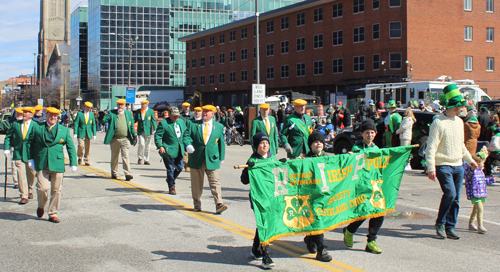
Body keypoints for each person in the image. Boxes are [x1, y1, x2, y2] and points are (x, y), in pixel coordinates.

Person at [425, 84, 477, 239]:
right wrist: (430, 167)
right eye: (461, 106)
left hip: (458, 165)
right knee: (450, 193)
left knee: (456, 199)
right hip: (443, 165)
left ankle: (450, 226)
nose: (463, 109)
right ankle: (440, 223)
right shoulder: (438, 122)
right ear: (455, 106)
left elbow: (460, 145)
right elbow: (431, 146)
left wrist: (470, 160)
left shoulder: (459, 122)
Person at [28, 107, 77, 223]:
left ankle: (52, 213)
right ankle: (41, 205)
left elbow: (70, 147)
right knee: (42, 188)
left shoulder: (63, 130)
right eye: (50, 115)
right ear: (46, 115)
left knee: (56, 190)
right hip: (42, 163)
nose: (53, 117)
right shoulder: (37, 127)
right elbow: (31, 143)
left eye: (55, 116)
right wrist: (31, 158)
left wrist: (73, 162)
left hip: (57, 163)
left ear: (58, 117)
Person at [344, 119, 385, 254]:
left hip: (374, 186)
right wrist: (351, 156)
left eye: (372, 133)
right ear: (362, 134)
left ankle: (371, 241)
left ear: (376, 134)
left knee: (379, 212)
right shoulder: (357, 148)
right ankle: (350, 230)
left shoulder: (377, 149)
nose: (370, 135)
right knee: (363, 212)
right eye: (367, 133)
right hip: (361, 186)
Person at [240, 133, 279, 269]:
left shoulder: (273, 158)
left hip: (272, 197)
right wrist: (248, 170)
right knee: (264, 223)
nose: (265, 145)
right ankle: (266, 255)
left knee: (265, 223)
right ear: (256, 146)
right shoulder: (253, 160)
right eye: (262, 143)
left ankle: (256, 248)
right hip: (259, 198)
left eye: (267, 143)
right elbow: (244, 181)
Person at [183, 105, 227, 214]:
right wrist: (188, 144)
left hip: (212, 159)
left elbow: (221, 142)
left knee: (215, 182)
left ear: (213, 114)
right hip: (196, 158)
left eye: (207, 112)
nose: (204, 113)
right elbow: (186, 136)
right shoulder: (193, 124)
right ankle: (197, 204)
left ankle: (219, 204)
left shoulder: (219, 126)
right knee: (197, 184)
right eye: (203, 111)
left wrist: (221, 157)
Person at [303, 131, 333, 262]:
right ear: (310, 146)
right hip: (311, 196)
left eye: (320, 142)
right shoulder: (305, 160)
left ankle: (311, 238)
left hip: (325, 195)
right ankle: (321, 249)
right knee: (317, 218)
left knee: (320, 220)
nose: (318, 144)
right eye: (315, 142)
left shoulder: (329, 158)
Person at [3, 107, 37, 204]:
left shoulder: (36, 125)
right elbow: (8, 137)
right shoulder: (16, 124)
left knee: (31, 174)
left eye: (27, 112)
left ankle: (30, 189)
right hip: (18, 153)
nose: (24, 114)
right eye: (24, 112)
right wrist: (6, 148)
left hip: (31, 155)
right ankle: (24, 195)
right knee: (21, 174)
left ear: (32, 114)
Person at [102, 99, 138, 181]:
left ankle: (127, 173)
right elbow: (104, 120)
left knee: (125, 156)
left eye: (122, 105)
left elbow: (131, 125)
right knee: (115, 156)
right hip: (115, 139)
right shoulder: (112, 113)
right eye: (119, 104)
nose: (120, 106)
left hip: (125, 139)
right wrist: (101, 117)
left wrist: (134, 135)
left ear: (124, 105)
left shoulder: (128, 114)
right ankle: (114, 172)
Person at [155, 106, 186, 195]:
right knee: (170, 169)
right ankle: (171, 186)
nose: (176, 117)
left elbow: (185, 133)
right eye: (174, 115)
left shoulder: (181, 122)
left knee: (180, 167)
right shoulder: (164, 123)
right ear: (169, 114)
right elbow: (158, 136)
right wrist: (160, 146)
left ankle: (170, 179)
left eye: (177, 115)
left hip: (179, 149)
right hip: (168, 150)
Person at [464, 147, 492, 234]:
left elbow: (484, 182)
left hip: (481, 193)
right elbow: (469, 176)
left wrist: (492, 179)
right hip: (475, 194)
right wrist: (473, 167)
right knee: (480, 209)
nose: (483, 165)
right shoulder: (472, 171)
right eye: (482, 163)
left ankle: (471, 223)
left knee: (475, 209)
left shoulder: (480, 172)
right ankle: (480, 225)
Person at [73, 101, 97, 166]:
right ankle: (80, 157)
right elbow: (76, 123)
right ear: (84, 106)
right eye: (87, 107)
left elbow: (94, 125)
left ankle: (87, 160)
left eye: (89, 108)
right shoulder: (80, 114)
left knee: (88, 147)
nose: (88, 109)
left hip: (88, 133)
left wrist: (94, 134)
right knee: (81, 145)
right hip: (81, 132)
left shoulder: (91, 115)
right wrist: (75, 132)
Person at [134, 100, 157, 165]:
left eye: (143, 104)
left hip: (148, 131)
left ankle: (146, 159)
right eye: (141, 104)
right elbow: (135, 120)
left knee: (147, 145)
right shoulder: (138, 111)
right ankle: (140, 157)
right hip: (141, 130)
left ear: (146, 105)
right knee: (141, 144)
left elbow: (153, 120)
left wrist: (155, 129)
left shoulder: (150, 111)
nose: (142, 106)